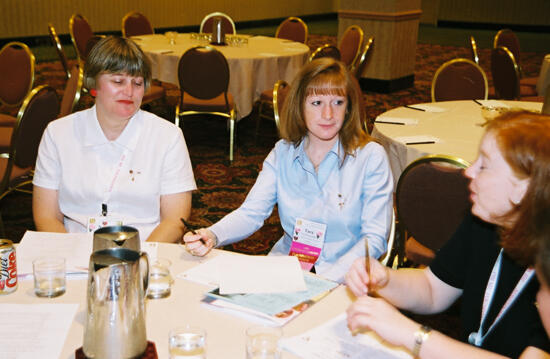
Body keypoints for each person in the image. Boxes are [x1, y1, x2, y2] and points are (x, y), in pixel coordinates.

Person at [346, 111, 550, 358]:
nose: (469, 172)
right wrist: (385, 279)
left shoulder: (545, 266)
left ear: (522, 189)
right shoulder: (487, 221)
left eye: (484, 165)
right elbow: (432, 289)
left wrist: (412, 335)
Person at [183, 58, 393, 282]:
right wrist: (213, 234)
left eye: (338, 102)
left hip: (347, 280)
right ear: (299, 106)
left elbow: (375, 238)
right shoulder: (283, 153)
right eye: (317, 103)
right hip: (289, 270)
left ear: (349, 108)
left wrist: (325, 281)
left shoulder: (370, 157)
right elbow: (251, 213)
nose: (329, 114)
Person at [32, 36, 196, 242]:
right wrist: (74, 258)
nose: (129, 92)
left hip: (148, 250)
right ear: (94, 84)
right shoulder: (58, 134)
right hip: (75, 249)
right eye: (118, 81)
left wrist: (138, 261)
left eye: (137, 83)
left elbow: (173, 221)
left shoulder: (168, 137)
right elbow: (46, 216)